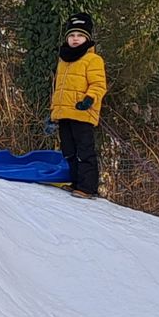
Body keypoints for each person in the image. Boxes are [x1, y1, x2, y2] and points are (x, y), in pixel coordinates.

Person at [48, 12, 107, 197]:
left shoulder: (93, 60)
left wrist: (89, 99)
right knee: (69, 150)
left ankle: (88, 187)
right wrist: (53, 112)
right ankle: (75, 182)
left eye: (80, 36)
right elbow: (59, 89)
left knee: (84, 150)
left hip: (82, 112)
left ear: (87, 38)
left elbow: (98, 85)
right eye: (72, 35)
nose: (75, 39)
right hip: (65, 112)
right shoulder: (63, 60)